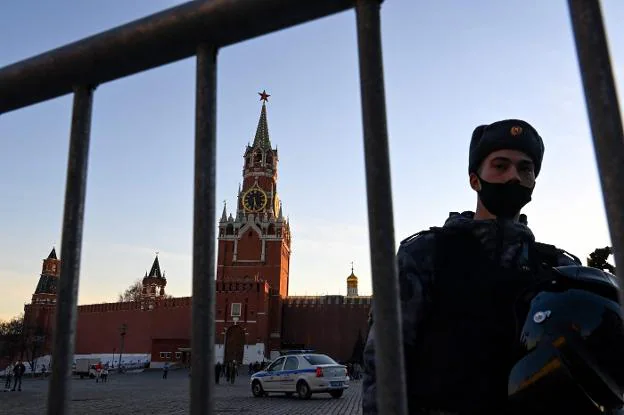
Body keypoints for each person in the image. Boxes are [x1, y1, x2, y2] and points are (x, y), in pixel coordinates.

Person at [362, 119, 583, 414]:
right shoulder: (425, 255)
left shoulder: (555, 269)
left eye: (524, 168)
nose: (513, 177)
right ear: (474, 179)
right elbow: (384, 364)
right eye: (500, 166)